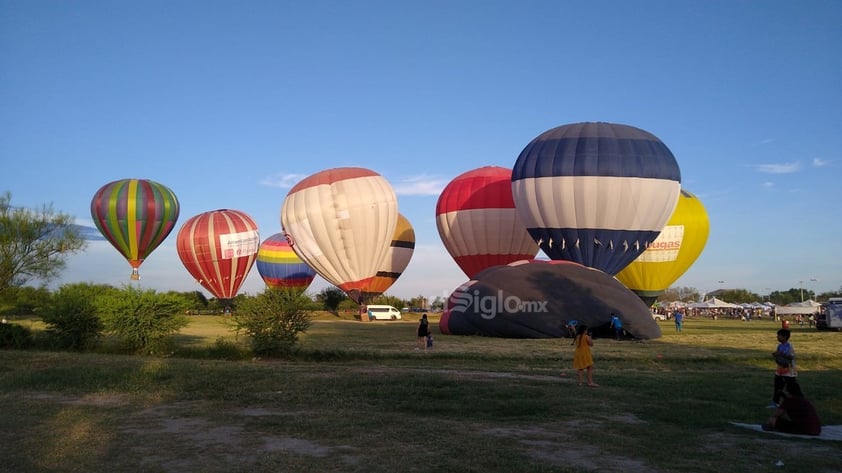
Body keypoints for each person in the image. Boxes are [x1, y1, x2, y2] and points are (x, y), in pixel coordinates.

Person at [770, 328, 796, 408]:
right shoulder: (779, 345)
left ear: (785, 337)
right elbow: (778, 355)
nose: (777, 337)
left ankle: (794, 402)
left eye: (779, 336)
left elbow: (791, 356)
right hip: (780, 369)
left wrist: (781, 354)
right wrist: (775, 355)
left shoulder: (790, 346)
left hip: (789, 371)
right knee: (777, 386)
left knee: (791, 388)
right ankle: (775, 402)